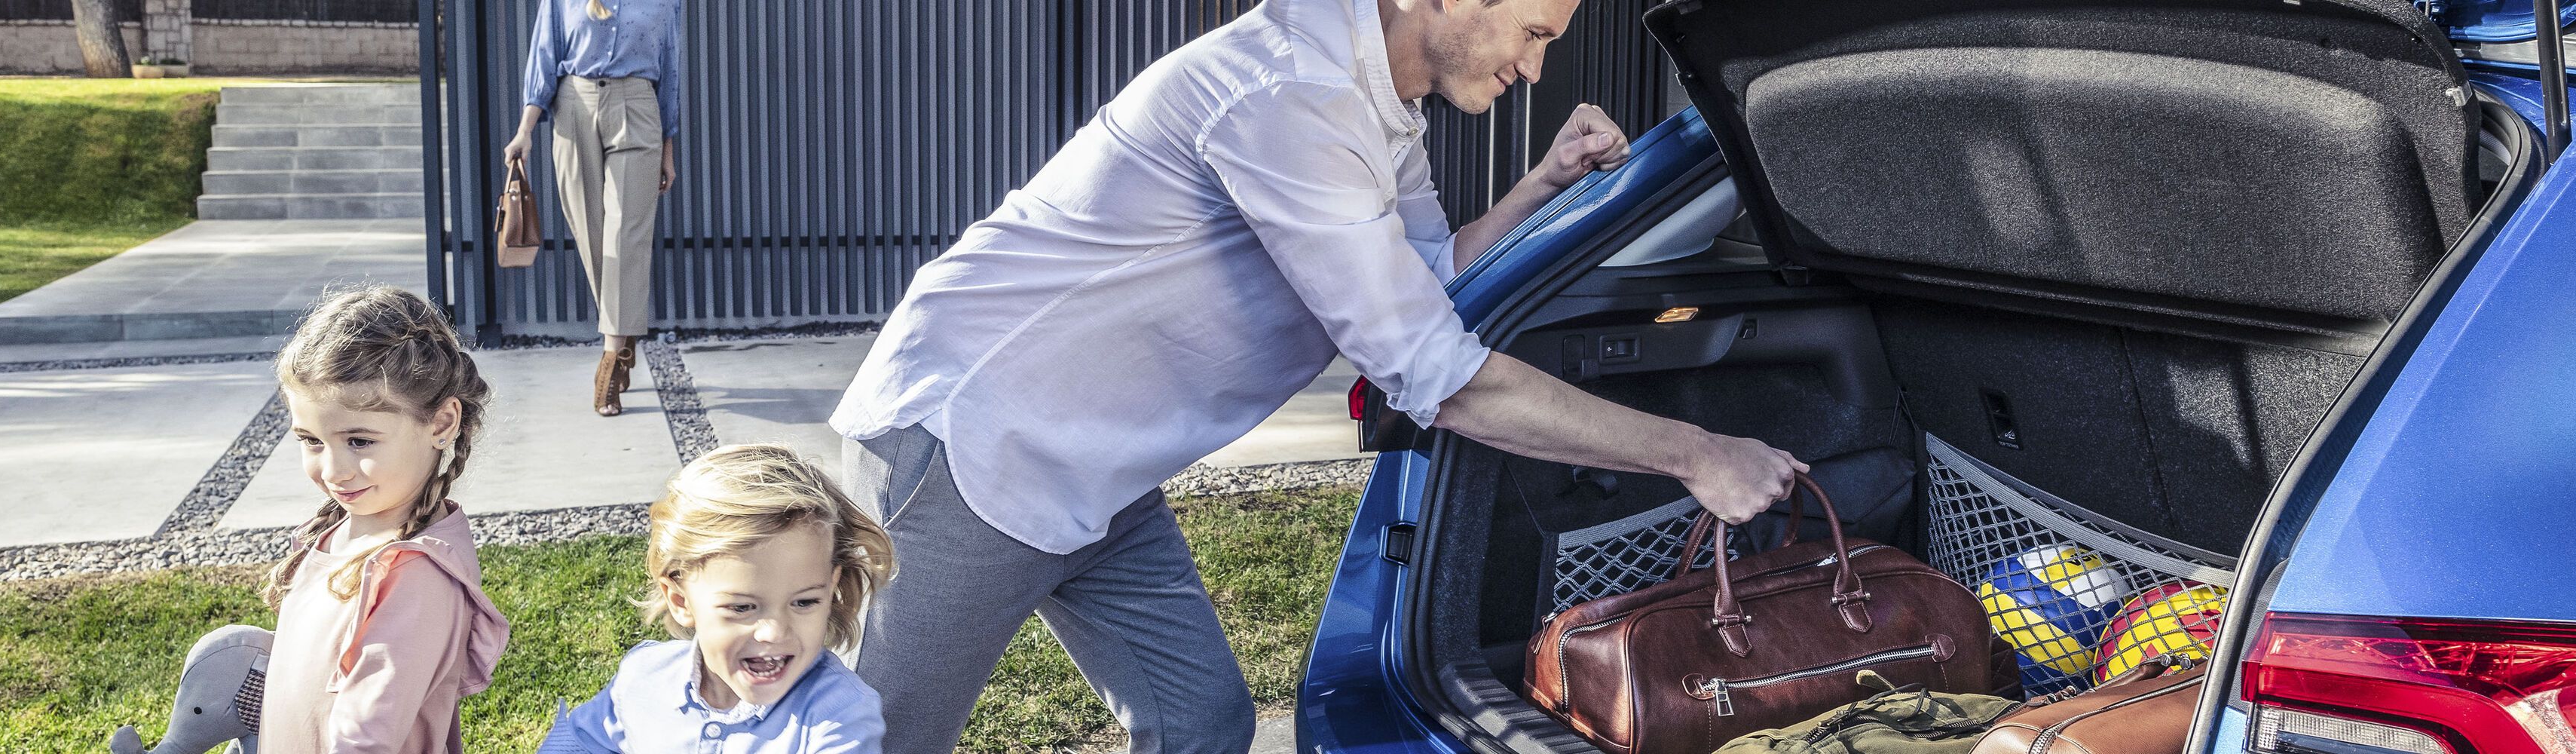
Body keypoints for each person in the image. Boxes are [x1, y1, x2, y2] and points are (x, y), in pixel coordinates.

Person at [827, 0, 1807, 750]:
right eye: (1535, 32)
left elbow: (1428, 285)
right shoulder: (1288, 91)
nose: (1537, 65)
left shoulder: (1383, 111)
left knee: (1203, 722)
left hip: (1102, 471)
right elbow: (1440, 377)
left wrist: (1540, 186)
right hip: (976, 441)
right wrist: (1695, 453)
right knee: (866, 738)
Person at [259, 285, 510, 752]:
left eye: (359, 441)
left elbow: (367, 740)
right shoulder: (347, 531)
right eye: (311, 441)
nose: (332, 471)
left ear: (440, 424)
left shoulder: (415, 577)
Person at [537, 443, 892, 753]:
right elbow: (582, 740)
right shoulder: (645, 676)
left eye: (804, 602)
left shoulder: (840, 715)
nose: (773, 632)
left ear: (831, 588)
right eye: (742, 607)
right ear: (680, 601)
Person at [504, 0, 684, 417]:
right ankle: (624, 335)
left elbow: (670, 71)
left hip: (639, 108)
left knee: (627, 236)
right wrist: (525, 131)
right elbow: (544, 56)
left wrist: (668, 147)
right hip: (573, 107)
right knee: (592, 233)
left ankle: (609, 356)